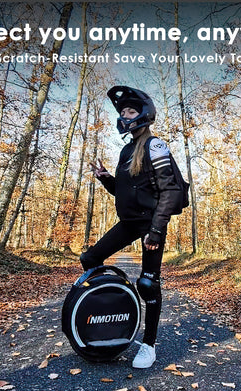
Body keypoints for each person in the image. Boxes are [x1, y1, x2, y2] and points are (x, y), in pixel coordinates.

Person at [80, 85, 182, 368]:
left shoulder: (155, 145)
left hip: (151, 225)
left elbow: (170, 191)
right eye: (122, 111)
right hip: (128, 222)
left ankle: (148, 346)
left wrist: (157, 230)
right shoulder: (126, 151)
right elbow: (126, 192)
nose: (125, 116)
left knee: (148, 284)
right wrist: (105, 178)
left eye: (130, 111)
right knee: (90, 258)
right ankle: (106, 315)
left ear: (144, 114)